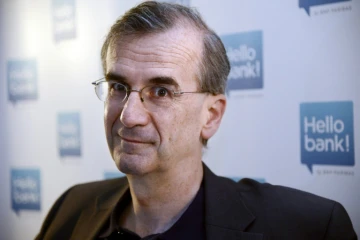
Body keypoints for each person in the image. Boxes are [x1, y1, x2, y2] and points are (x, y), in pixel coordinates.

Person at [35, 1, 357, 240]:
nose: (129, 115)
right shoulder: (69, 210)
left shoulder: (312, 228)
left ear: (211, 115)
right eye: (119, 87)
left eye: (160, 91)